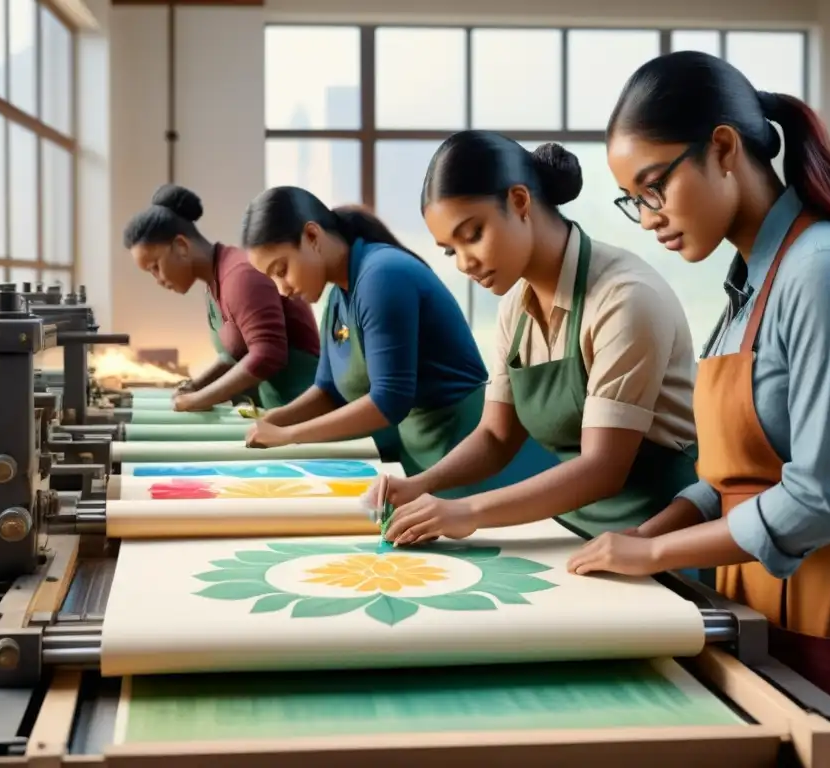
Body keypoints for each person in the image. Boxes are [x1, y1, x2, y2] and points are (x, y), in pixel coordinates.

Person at [577, 50, 830, 766]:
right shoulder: (749, 283)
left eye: (653, 187)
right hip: (770, 589)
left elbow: (824, 499)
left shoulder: (825, 273)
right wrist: (655, 530)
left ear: (723, 149)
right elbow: (736, 472)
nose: (648, 218)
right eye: (634, 199)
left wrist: (657, 553)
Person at [376, 130, 700, 546]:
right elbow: (496, 436)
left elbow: (603, 467)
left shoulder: (625, 298)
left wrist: (467, 511)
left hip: (659, 539)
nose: (464, 263)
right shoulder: (517, 307)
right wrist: (420, 484)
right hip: (577, 534)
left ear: (519, 201)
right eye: (449, 250)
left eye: (472, 234)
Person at [240, 187, 554, 492]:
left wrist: (290, 434)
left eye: (282, 270)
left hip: (474, 454)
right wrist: (273, 421)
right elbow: (328, 389)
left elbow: (388, 401)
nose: (282, 289)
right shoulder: (340, 295)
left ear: (312, 237)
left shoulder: (381, 276)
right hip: (427, 456)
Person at [123, 184, 321, 412]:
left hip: (307, 410)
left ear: (180, 246)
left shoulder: (240, 275)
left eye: (155, 267)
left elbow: (268, 354)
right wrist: (193, 387)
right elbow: (232, 356)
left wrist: (198, 400)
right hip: (280, 412)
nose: (157, 279)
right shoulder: (214, 283)